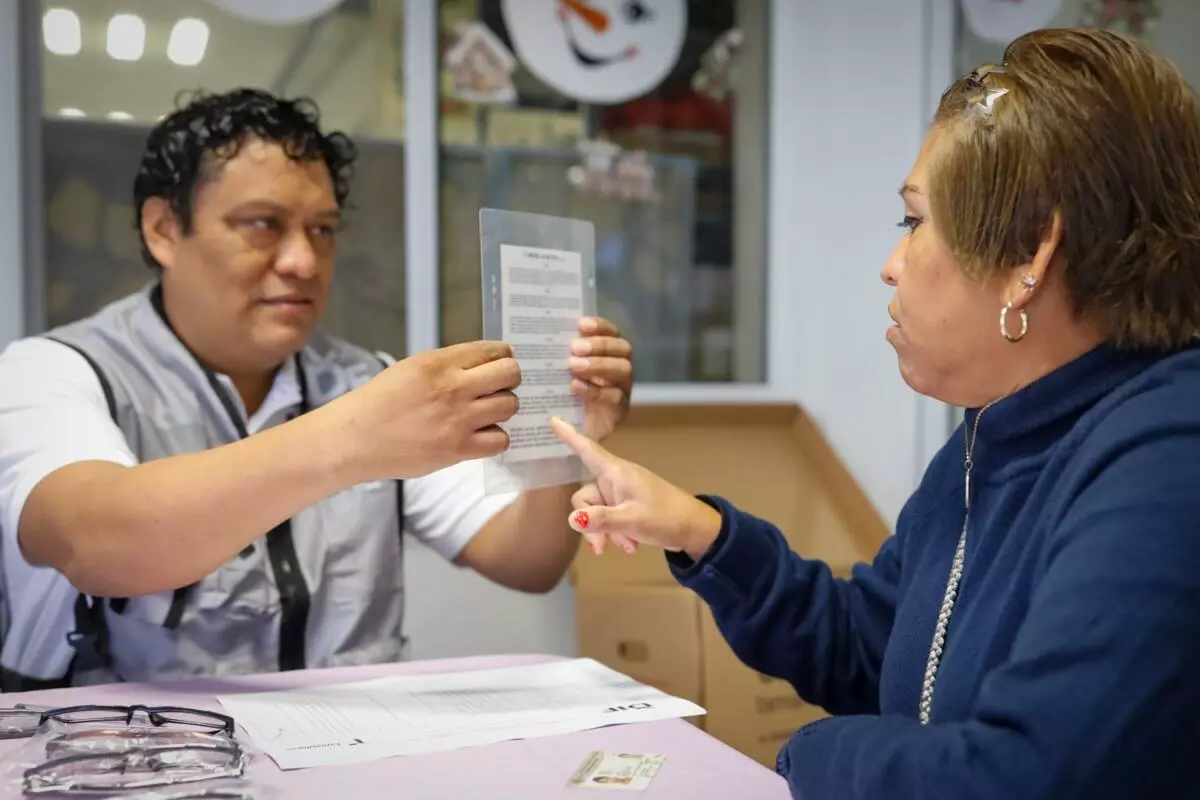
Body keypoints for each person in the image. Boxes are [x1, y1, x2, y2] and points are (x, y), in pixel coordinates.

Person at [548, 28, 1200, 799]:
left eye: (914, 223)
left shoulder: (1167, 458)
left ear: (1031, 255)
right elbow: (874, 649)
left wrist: (812, 754)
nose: (892, 266)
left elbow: (1025, 776)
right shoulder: (994, 437)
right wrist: (700, 531)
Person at [0, 88, 634, 689]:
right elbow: (94, 544)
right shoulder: (54, 370)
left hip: (353, 746)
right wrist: (355, 437)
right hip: (134, 750)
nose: (303, 262)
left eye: (323, 230)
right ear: (164, 229)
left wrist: (560, 425)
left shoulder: (363, 382)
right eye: (262, 224)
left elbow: (528, 561)